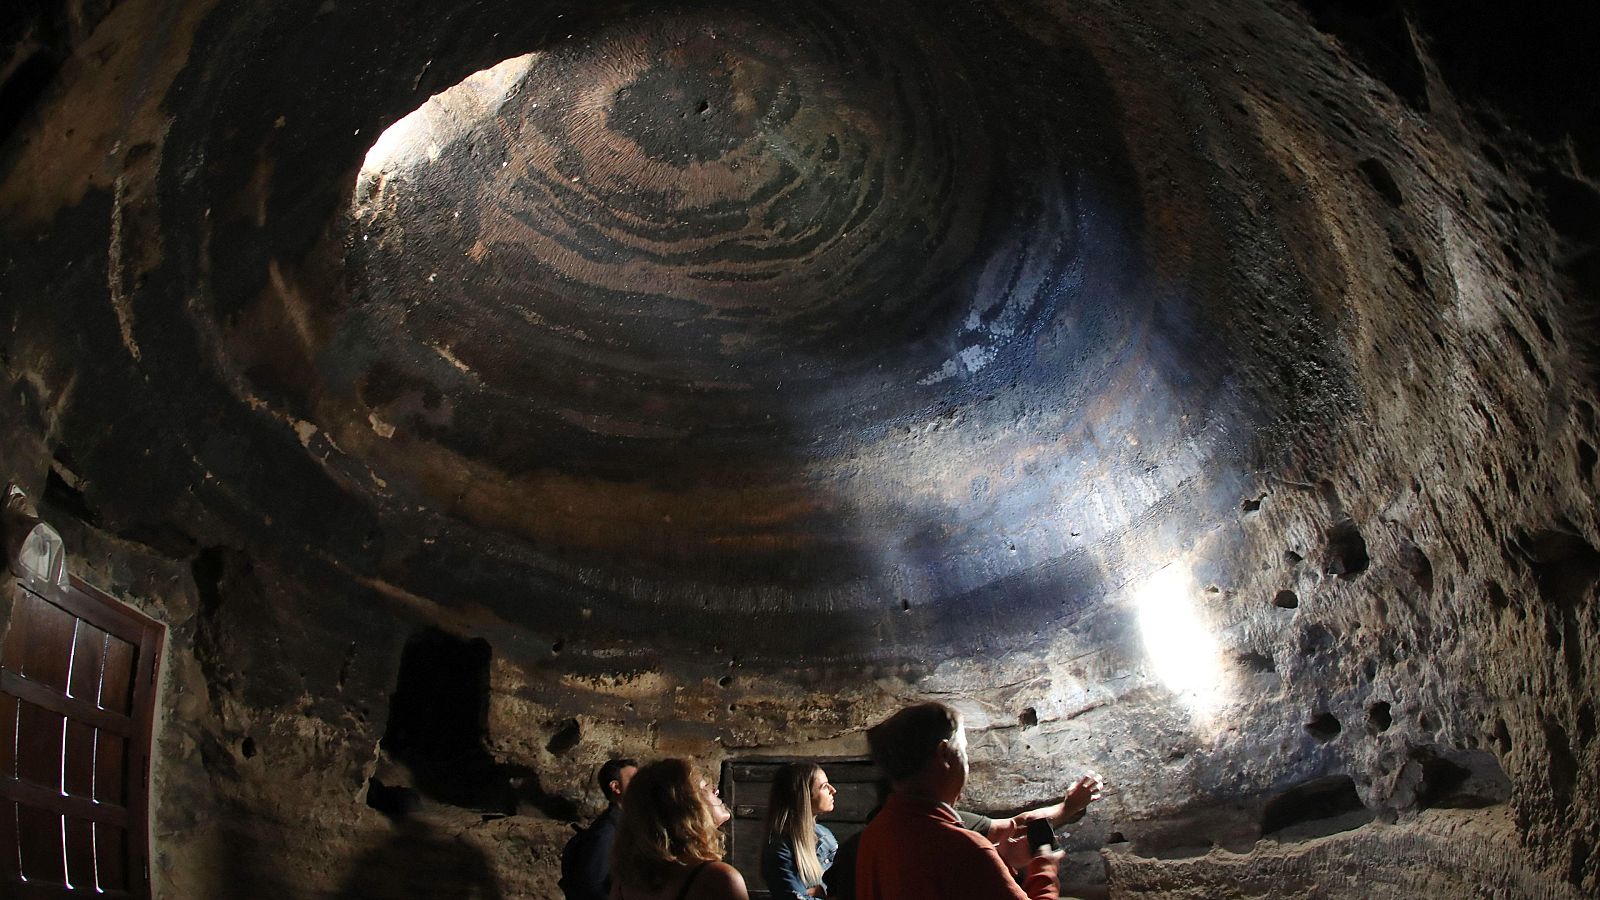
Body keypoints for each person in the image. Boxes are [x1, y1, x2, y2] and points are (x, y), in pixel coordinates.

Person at [854, 703, 1062, 900]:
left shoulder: (875, 835)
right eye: (963, 750)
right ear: (944, 754)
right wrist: (1044, 869)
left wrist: (999, 863)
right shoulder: (962, 848)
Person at [824, 771, 1103, 900]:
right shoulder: (952, 836)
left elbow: (1014, 827)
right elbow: (1016, 825)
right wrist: (1043, 869)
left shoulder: (858, 847)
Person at [610, 758, 750, 900]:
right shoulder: (719, 878)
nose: (716, 790)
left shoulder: (624, 883)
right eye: (705, 787)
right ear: (686, 807)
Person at [561, 758, 640, 900]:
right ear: (615, 787)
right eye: (635, 780)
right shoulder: (607, 831)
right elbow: (592, 885)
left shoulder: (624, 826)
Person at [761, 762, 840, 899]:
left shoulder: (825, 835)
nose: (833, 790)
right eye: (823, 786)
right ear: (804, 796)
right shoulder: (780, 847)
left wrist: (824, 893)